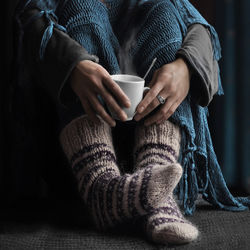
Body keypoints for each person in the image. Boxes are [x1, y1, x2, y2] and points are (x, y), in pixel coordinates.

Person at [13, 0, 250, 245]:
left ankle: (156, 185)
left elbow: (201, 30)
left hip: (159, 158)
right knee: (82, 6)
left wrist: (185, 68)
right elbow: (30, 19)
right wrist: (73, 66)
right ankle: (100, 186)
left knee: (164, 11)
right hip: (77, 160)